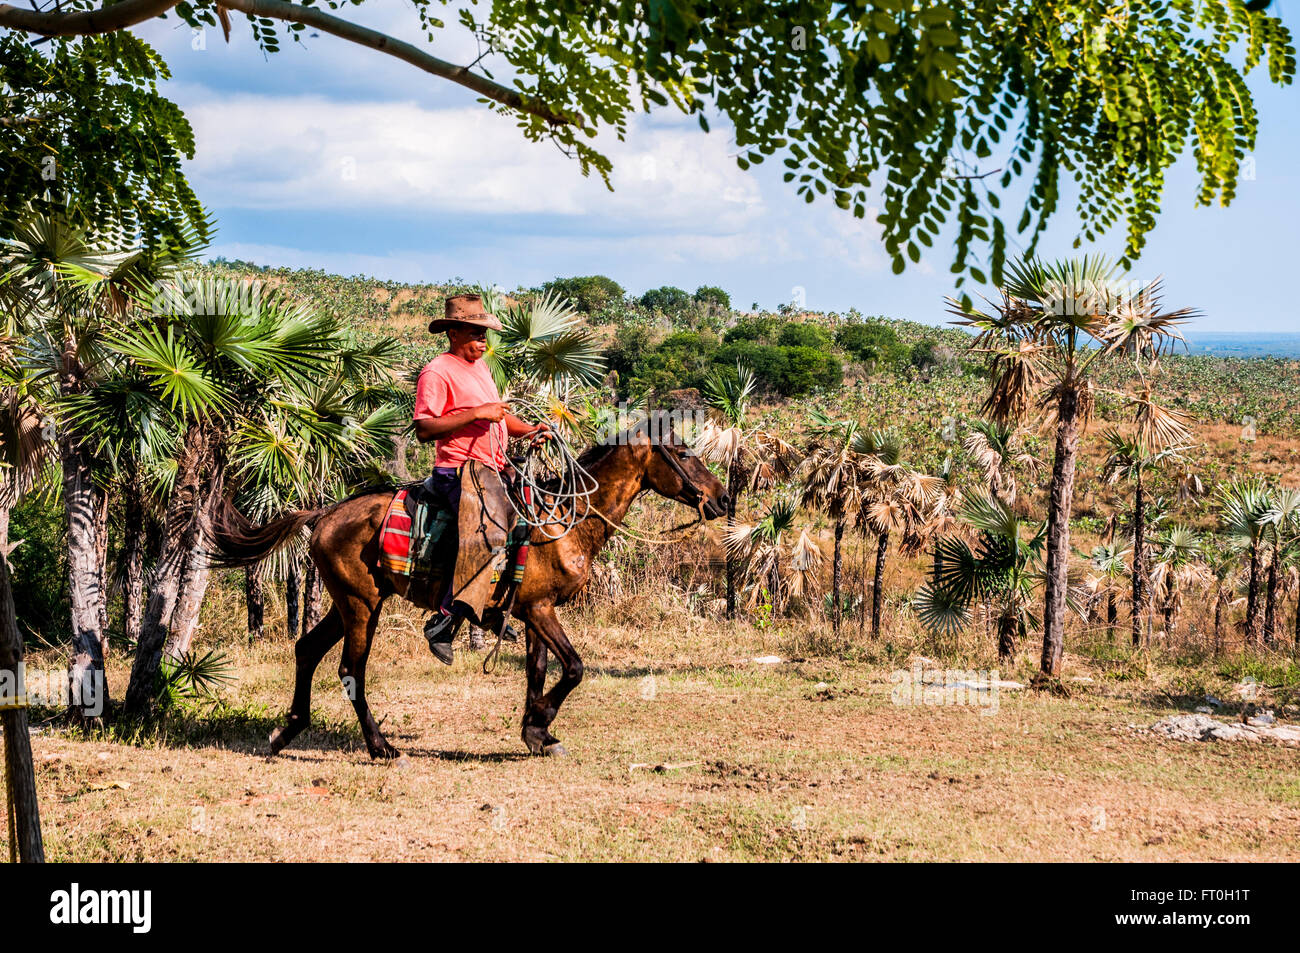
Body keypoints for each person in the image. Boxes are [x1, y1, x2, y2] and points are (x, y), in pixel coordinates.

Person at [414, 293, 550, 664]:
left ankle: (491, 608)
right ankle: (444, 621)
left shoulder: (481, 369)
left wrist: (528, 430)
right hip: (458, 469)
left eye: (484, 333)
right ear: (454, 332)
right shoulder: (437, 371)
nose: (482, 340)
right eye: (475, 333)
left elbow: (499, 417)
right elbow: (425, 429)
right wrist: (476, 412)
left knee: (528, 522)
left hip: (493, 467)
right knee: (490, 532)